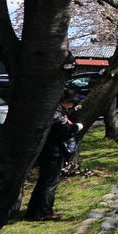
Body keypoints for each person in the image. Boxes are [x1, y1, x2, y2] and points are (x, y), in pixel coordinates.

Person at [25, 88, 84, 221]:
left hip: (49, 151)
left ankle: (34, 212)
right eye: (71, 103)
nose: (72, 105)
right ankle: (44, 212)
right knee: (49, 182)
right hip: (52, 152)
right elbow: (64, 130)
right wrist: (76, 127)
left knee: (44, 182)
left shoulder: (56, 111)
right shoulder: (56, 114)